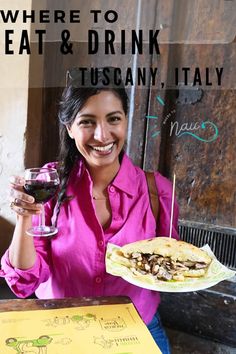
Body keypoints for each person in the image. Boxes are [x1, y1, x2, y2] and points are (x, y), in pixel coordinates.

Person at [1, 67, 179, 354]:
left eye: (114, 119)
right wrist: (25, 216)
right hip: (60, 329)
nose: (102, 135)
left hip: (135, 329)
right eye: (87, 122)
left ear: (125, 122)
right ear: (70, 128)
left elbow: (169, 261)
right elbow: (24, 281)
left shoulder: (156, 191)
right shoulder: (49, 185)